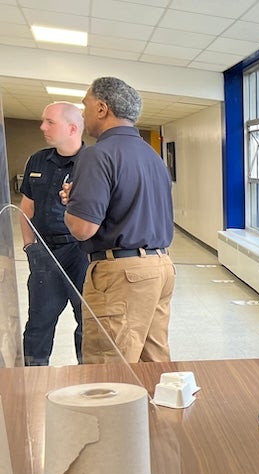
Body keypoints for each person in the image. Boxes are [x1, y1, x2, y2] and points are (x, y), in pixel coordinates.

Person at [62, 76, 175, 363]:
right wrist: (85, 197)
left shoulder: (98, 154)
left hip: (123, 275)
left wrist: (73, 204)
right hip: (161, 268)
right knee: (154, 363)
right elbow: (129, 203)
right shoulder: (153, 157)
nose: (83, 112)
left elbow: (82, 228)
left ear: (102, 108)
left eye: (85, 105)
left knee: (109, 368)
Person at [18, 102, 87, 365]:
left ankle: (89, 379)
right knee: (39, 322)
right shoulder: (38, 159)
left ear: (71, 128)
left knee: (87, 322)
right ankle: (33, 378)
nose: (42, 127)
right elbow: (26, 206)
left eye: (50, 122)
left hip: (81, 253)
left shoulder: (93, 162)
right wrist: (29, 247)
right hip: (45, 252)